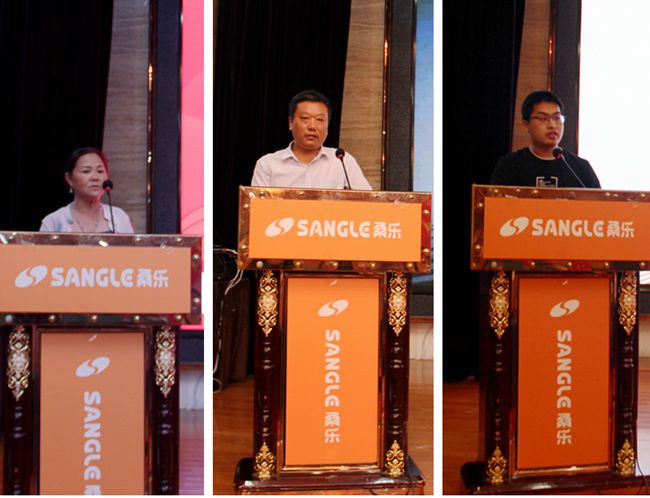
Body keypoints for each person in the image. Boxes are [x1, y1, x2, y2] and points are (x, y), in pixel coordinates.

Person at [251, 89, 372, 190]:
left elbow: (369, 202)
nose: (312, 126)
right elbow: (257, 208)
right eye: (305, 118)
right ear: (290, 122)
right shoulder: (268, 164)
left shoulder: (342, 161)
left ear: (328, 125)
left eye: (319, 120)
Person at [490, 90, 600, 188]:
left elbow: (598, 203)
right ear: (526, 124)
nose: (552, 125)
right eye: (543, 118)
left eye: (557, 118)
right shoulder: (509, 166)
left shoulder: (580, 168)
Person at [40, 147, 134, 233]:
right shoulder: (53, 221)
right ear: (69, 179)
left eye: (100, 171)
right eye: (86, 171)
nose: (95, 177)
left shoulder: (119, 217)